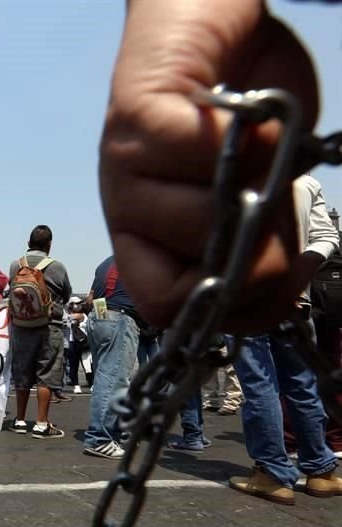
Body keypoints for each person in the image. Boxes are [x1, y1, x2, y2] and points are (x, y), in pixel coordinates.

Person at [99, 0, 330, 335]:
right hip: (252, 291)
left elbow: (324, 236)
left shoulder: (302, 180)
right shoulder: (293, 174)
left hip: (273, 294)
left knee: (288, 381)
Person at [228, 175, 342, 504]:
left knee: (260, 385)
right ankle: (320, 470)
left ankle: (271, 473)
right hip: (296, 299)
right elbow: (325, 236)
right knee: (302, 385)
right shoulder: (305, 180)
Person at [5, 225, 72, 438]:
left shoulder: (16, 265)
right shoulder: (57, 267)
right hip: (49, 326)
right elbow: (66, 293)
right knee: (47, 372)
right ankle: (42, 424)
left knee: (22, 372)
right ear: (49, 245)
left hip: (22, 326)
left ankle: (21, 420)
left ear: (28, 243)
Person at [83, 257, 140, 459]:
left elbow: (90, 298)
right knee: (113, 382)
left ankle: (110, 434)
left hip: (99, 316)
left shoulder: (105, 263)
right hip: (120, 319)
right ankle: (99, 438)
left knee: (105, 379)